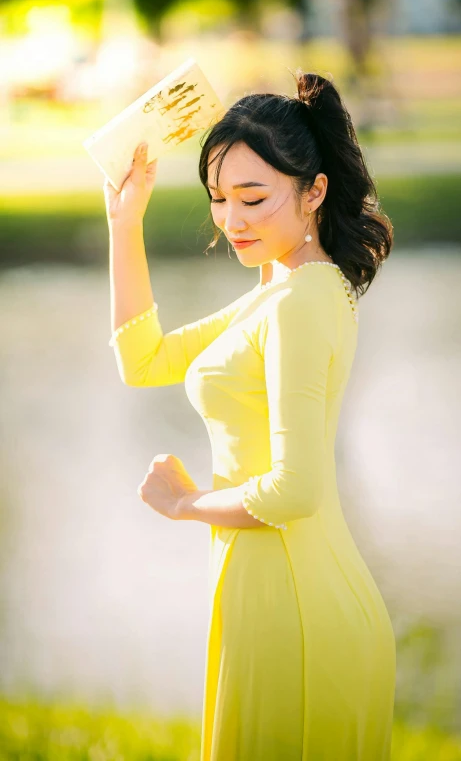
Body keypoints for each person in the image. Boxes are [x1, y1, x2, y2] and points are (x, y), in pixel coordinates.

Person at [104, 68, 396, 760]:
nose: (231, 221)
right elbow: (142, 360)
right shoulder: (279, 290)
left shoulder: (300, 300)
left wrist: (185, 503)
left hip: (297, 606)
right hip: (268, 590)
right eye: (219, 198)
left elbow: (298, 488)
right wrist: (125, 221)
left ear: (315, 191)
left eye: (254, 198)